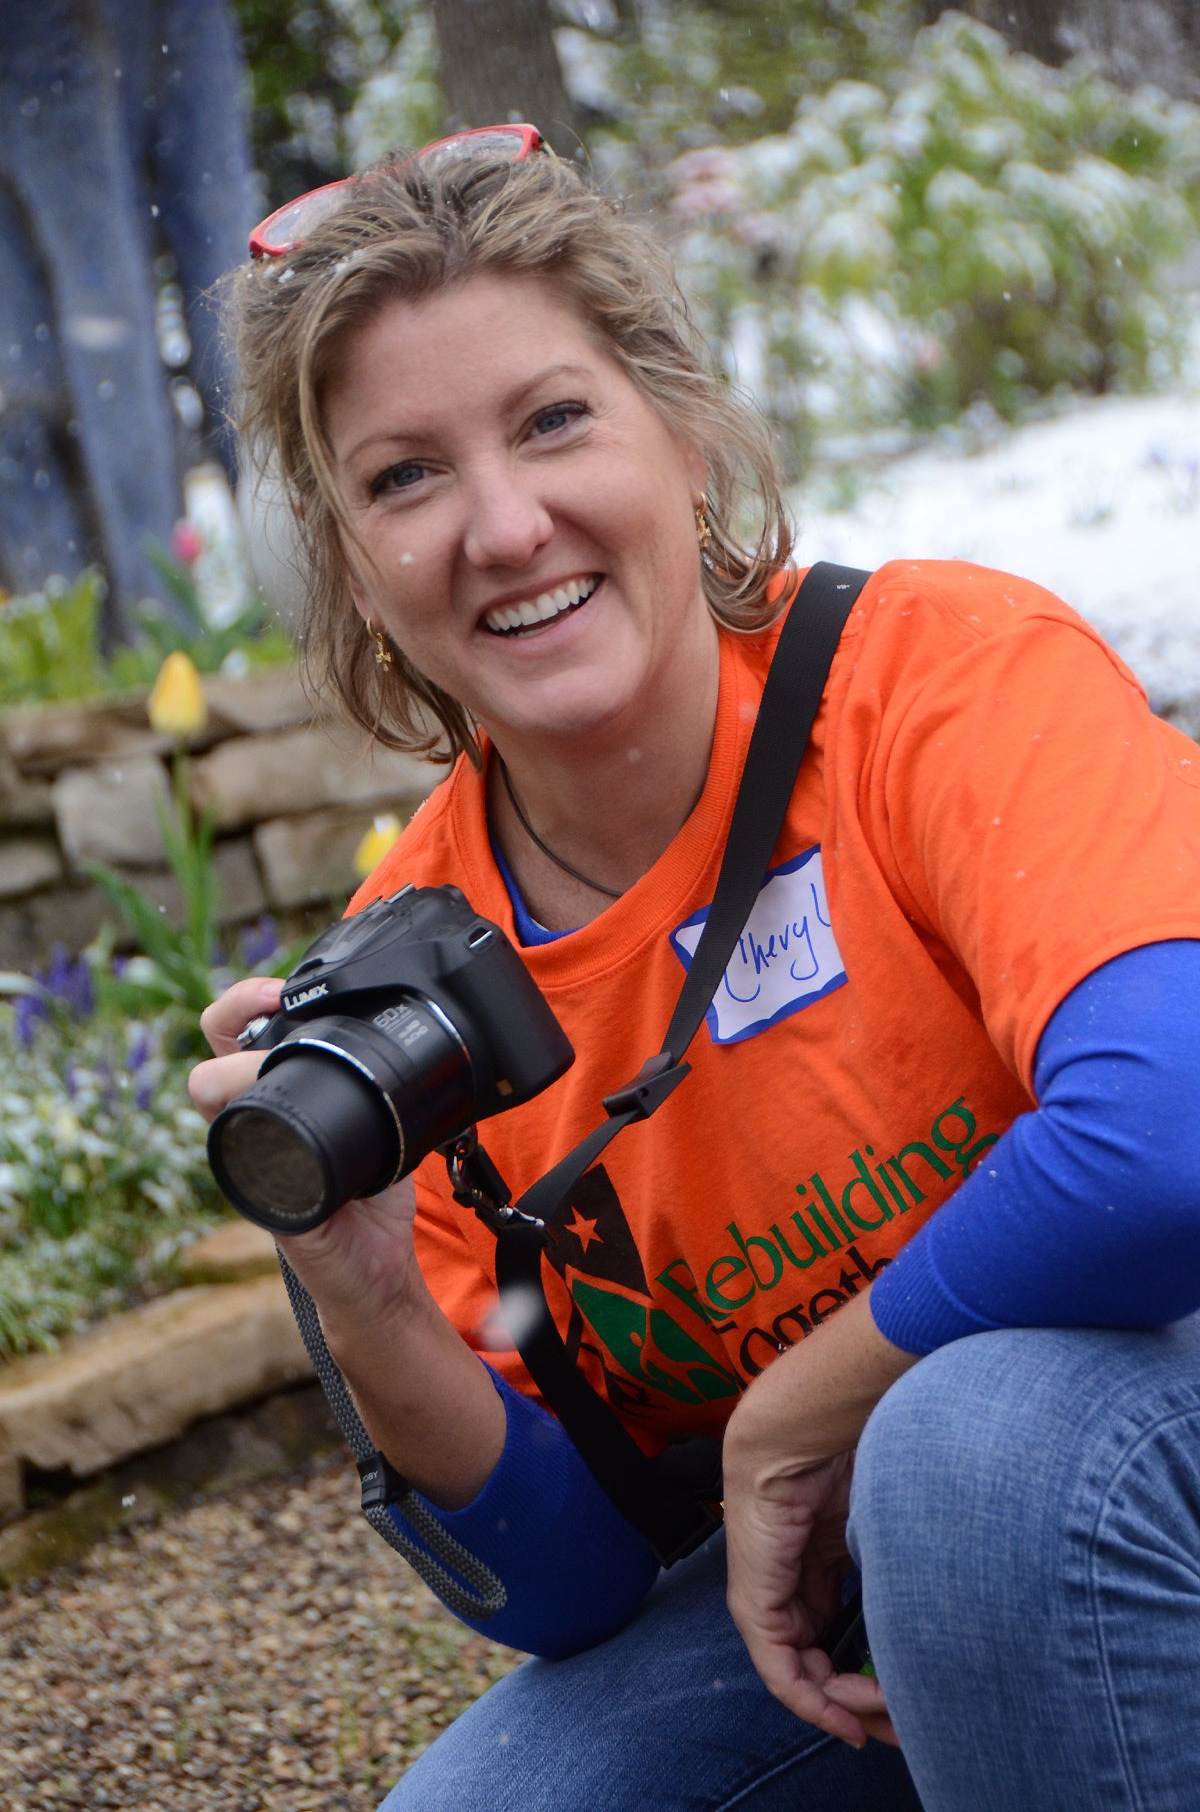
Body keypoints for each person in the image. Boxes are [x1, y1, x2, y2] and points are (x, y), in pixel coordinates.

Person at [189, 127, 1200, 1811]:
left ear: (683, 427)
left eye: (552, 421)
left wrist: (803, 1408)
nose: (503, 526)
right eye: (405, 477)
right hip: (873, 1585)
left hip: (1121, 1451)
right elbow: (575, 1582)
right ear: (354, 565)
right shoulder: (417, 980)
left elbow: (1170, 1137)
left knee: (968, 1452)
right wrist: (369, 1297)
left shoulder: (932, 683)